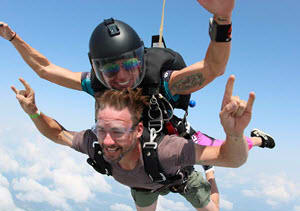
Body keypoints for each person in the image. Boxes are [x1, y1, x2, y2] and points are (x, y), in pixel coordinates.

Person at [0, 0, 275, 154]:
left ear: (142, 61)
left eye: (129, 65)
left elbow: (212, 68)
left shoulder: (163, 81)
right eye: (109, 70)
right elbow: (45, 69)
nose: (120, 77)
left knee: (228, 147)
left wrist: (223, 21)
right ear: (97, 70)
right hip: (130, 143)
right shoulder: (95, 83)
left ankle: (260, 138)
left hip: (171, 133)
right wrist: (12, 37)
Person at [12, 74, 253, 211]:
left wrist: (235, 134)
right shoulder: (96, 144)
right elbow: (58, 134)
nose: (106, 141)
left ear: (138, 130)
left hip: (178, 176)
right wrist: (34, 113)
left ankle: (208, 170)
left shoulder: (167, 150)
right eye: (102, 129)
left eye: (117, 131)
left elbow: (232, 158)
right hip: (145, 182)